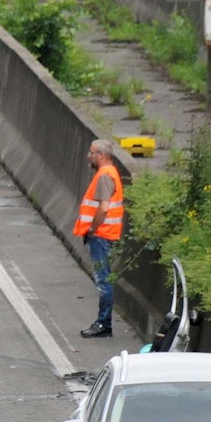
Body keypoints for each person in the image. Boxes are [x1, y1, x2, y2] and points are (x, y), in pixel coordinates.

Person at [75, 139, 125, 338]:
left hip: (101, 236)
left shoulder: (105, 176)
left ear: (101, 155)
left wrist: (93, 229)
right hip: (105, 235)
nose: (89, 156)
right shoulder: (109, 173)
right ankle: (104, 322)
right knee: (104, 280)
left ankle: (104, 324)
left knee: (103, 281)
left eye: (91, 153)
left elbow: (103, 208)